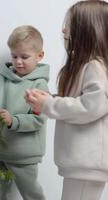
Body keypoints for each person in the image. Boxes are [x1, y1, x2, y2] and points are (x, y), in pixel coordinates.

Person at [25, 1, 108, 200]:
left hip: (88, 163)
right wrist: (49, 100)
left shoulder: (94, 67)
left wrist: (49, 104)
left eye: (70, 24)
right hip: (82, 164)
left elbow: (90, 107)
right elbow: (79, 102)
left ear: (87, 30)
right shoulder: (86, 67)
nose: (63, 29)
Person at [0, 25, 49, 200]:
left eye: (24, 56)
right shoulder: (1, 78)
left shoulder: (39, 85)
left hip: (24, 153)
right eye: (14, 56)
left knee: (31, 193)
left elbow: (38, 119)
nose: (18, 61)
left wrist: (13, 120)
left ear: (40, 56)